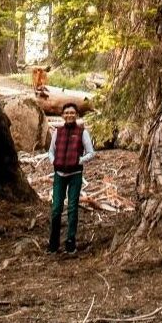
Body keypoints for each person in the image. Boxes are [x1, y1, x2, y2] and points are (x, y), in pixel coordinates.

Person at [46, 102, 94, 253]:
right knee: (56, 208)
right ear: (62, 115)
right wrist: (53, 161)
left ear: (77, 115)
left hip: (75, 175)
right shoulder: (57, 132)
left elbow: (91, 152)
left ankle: (70, 242)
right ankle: (53, 243)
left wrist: (79, 161)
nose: (69, 115)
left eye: (72, 113)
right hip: (59, 174)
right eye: (66, 113)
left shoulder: (82, 132)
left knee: (72, 208)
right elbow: (50, 151)